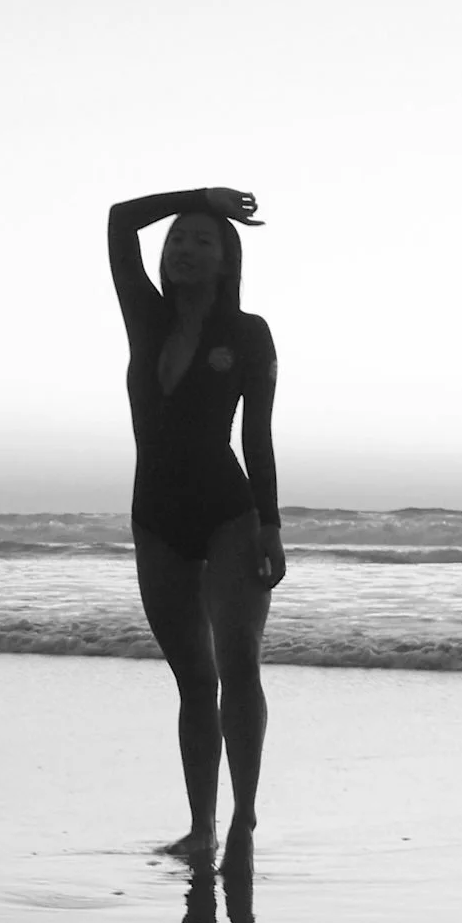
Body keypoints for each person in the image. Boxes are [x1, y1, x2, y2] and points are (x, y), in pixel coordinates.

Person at [107, 187, 285, 878]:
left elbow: (258, 436)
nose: (184, 248)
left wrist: (270, 525)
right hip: (155, 516)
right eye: (177, 238)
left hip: (229, 512)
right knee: (192, 680)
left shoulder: (248, 333)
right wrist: (201, 195)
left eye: (202, 240)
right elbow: (122, 221)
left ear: (225, 259)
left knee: (238, 663)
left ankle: (243, 817)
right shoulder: (144, 317)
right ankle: (200, 827)